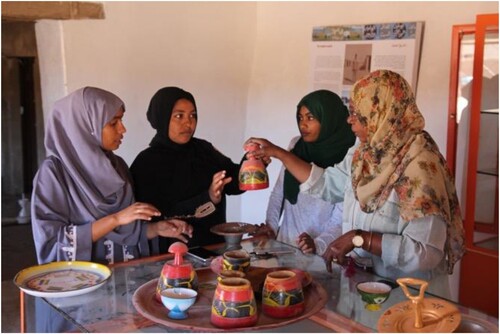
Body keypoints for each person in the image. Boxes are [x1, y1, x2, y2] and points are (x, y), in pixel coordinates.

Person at [245, 70, 465, 298]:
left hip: (410, 297)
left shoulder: (421, 166)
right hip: (365, 285)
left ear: (384, 115)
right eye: (351, 112)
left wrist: (361, 239)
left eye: (359, 115)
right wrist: (278, 153)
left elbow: (424, 253)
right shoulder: (364, 153)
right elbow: (328, 184)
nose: (350, 120)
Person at [30, 87, 197, 332]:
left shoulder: (117, 166)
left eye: (121, 120)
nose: (123, 129)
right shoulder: (53, 174)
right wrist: (116, 218)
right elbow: (52, 246)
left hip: (120, 295)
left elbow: (125, 235)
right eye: (113, 122)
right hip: (76, 303)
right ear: (84, 125)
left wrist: (155, 229)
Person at [130, 87, 247, 252]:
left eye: (193, 115)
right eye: (179, 116)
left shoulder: (204, 150)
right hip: (171, 254)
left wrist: (253, 162)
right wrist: (208, 197)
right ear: (162, 118)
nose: (188, 123)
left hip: (214, 248)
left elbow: (233, 182)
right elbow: (155, 215)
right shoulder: (146, 162)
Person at [255, 90, 355, 255]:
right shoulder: (296, 145)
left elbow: (342, 217)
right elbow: (279, 193)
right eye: (300, 118)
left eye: (310, 118)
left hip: (323, 254)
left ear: (329, 118)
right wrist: (271, 227)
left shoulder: (348, 156)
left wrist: (317, 244)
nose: (303, 124)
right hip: (285, 245)